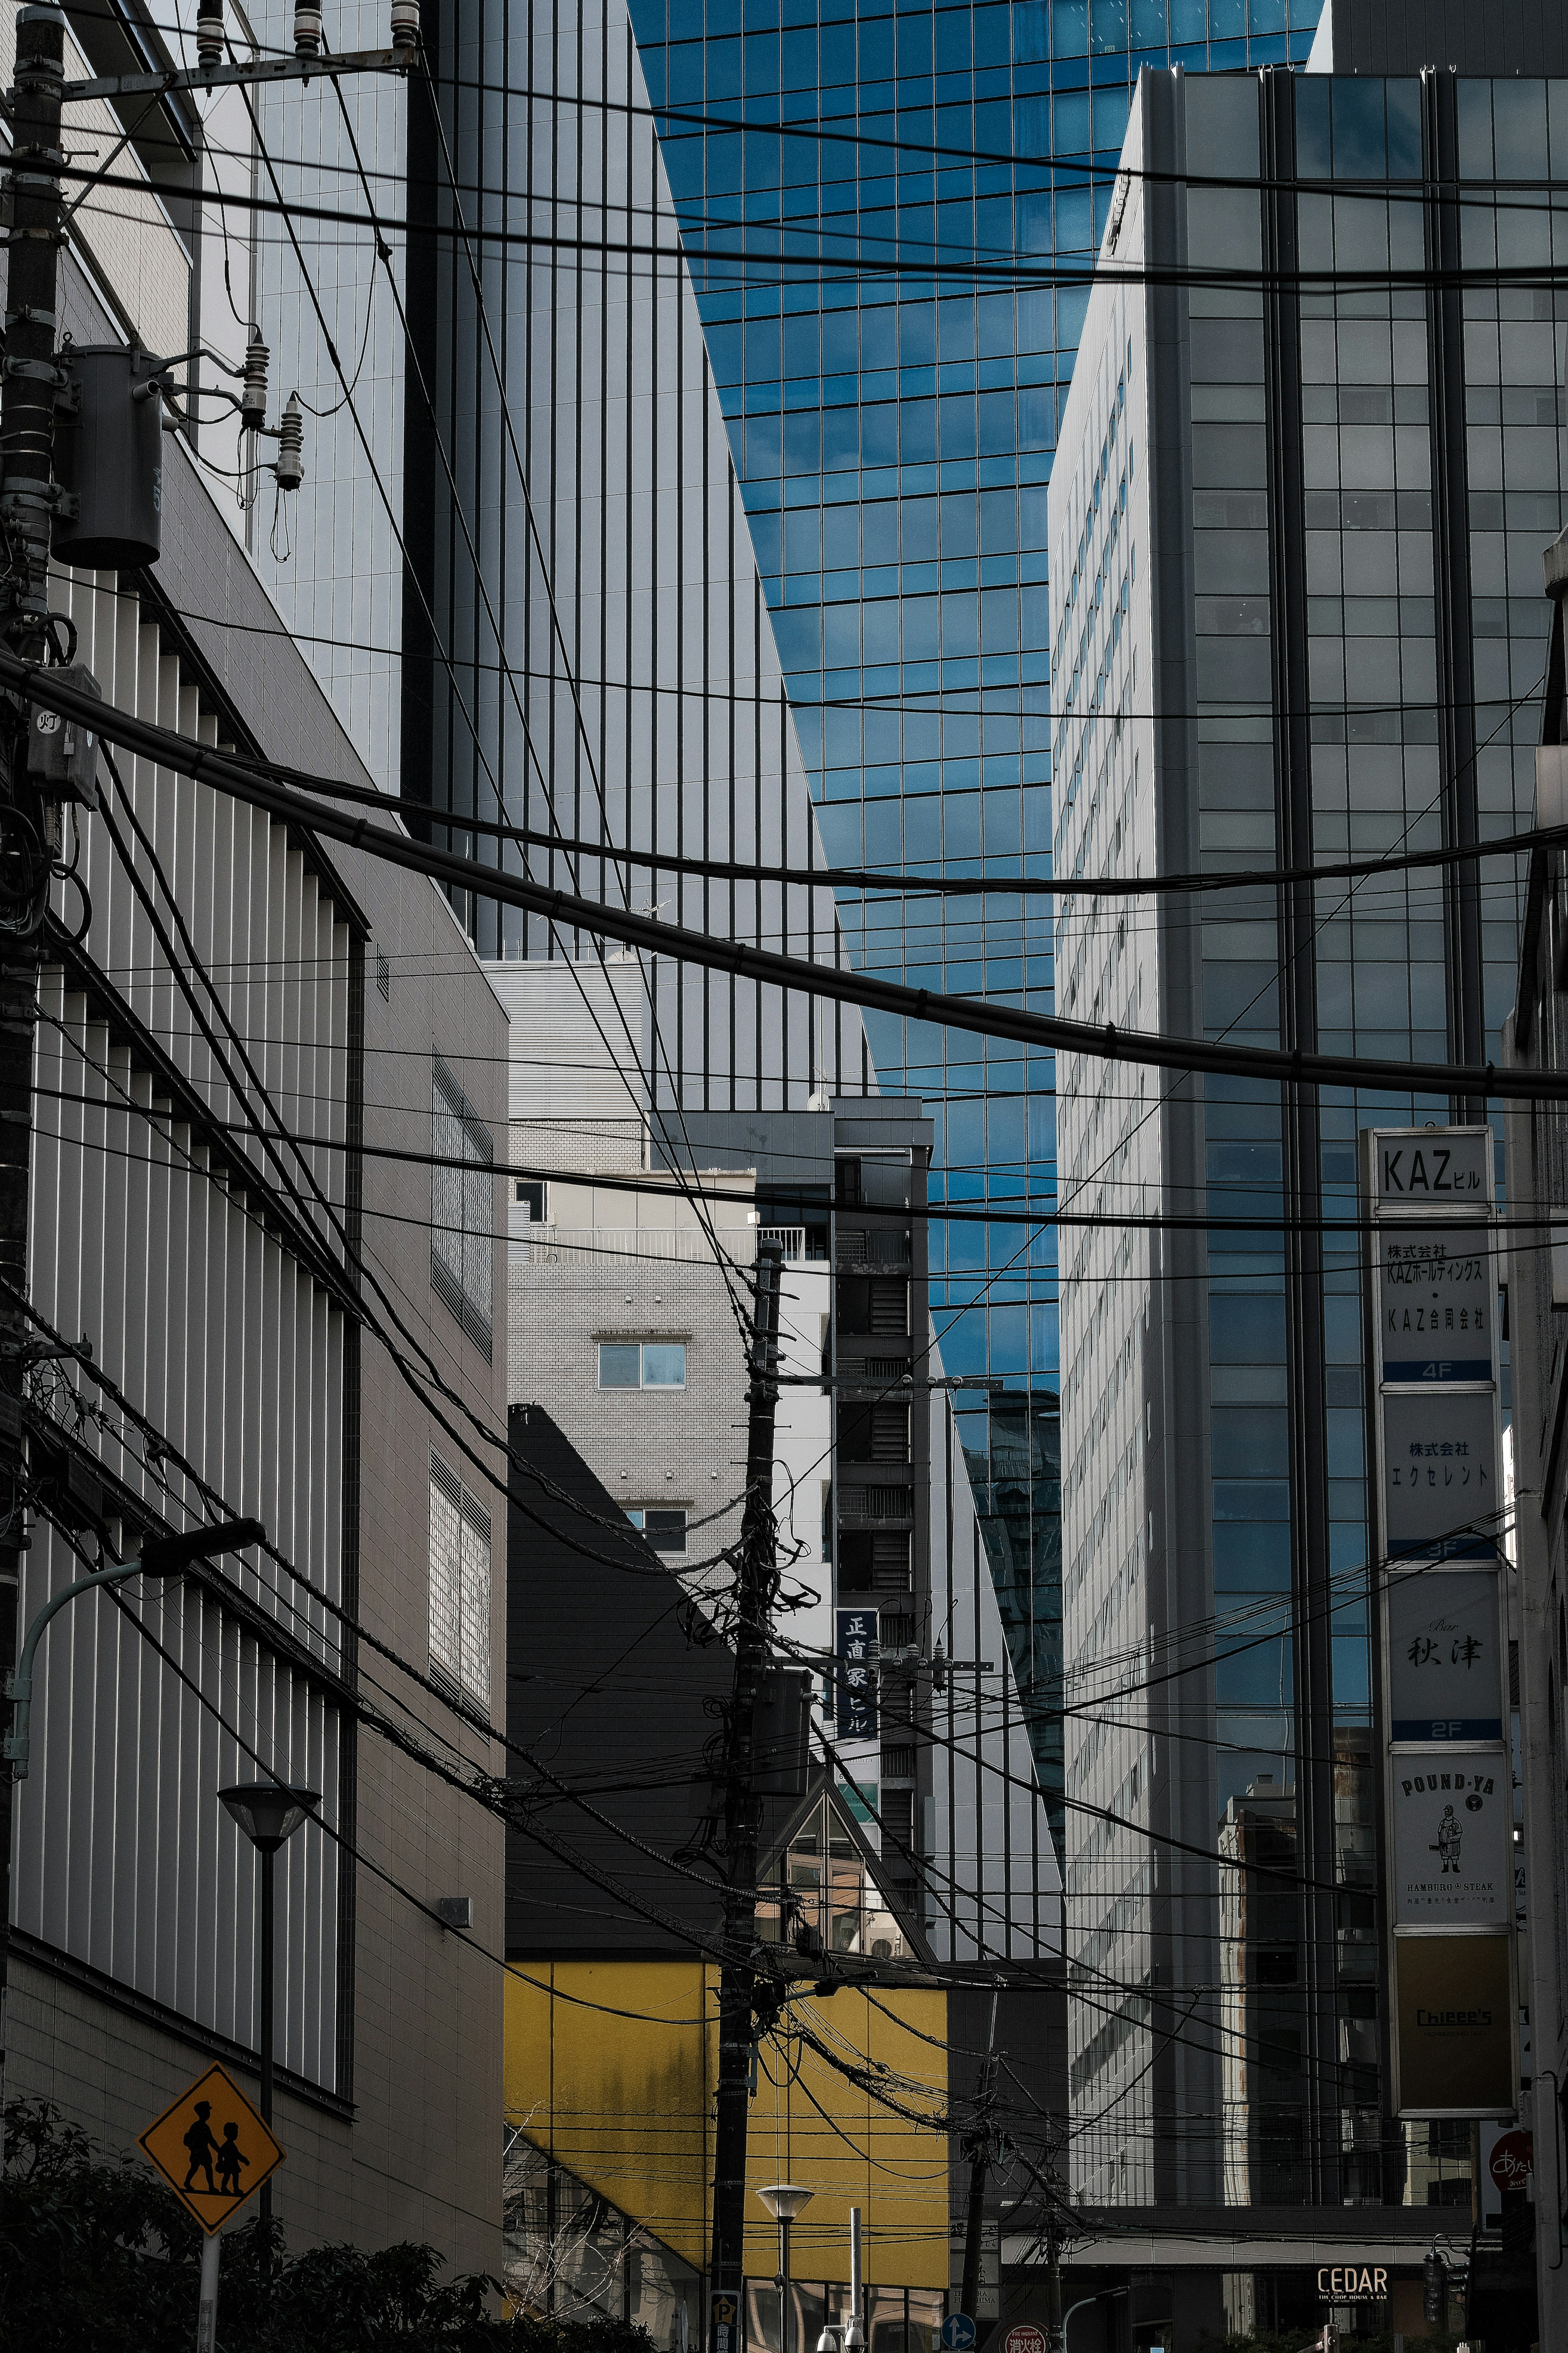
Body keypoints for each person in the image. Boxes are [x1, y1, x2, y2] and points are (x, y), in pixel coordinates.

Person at [182, 2100, 220, 2193]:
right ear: (202, 2113)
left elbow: (212, 2141)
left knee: (207, 2168)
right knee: (196, 2168)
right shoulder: (197, 2126)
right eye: (207, 2111)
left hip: (203, 2151)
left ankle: (211, 2187)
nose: (209, 2114)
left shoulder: (205, 2127)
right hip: (198, 2151)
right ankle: (188, 2182)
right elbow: (210, 2141)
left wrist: (219, 2150)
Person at [215, 2119, 249, 2198]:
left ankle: (236, 2189)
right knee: (227, 2176)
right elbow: (221, 2154)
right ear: (228, 2133)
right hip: (228, 2164)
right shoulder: (227, 2145)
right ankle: (224, 2188)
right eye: (235, 2132)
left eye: (237, 2132)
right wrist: (220, 2163)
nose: (237, 2133)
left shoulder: (232, 2145)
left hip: (234, 2164)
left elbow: (238, 2155)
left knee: (235, 2176)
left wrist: (245, 2160)